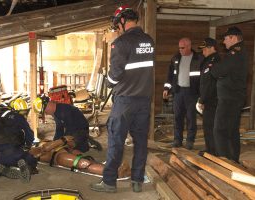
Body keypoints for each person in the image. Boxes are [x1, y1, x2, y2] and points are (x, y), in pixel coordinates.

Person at [90, 5, 155, 193]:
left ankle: (109, 182)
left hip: (125, 100)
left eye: (117, 25)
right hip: (144, 100)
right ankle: (136, 182)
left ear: (122, 21)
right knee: (141, 142)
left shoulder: (121, 43)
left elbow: (114, 76)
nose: (117, 29)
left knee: (116, 141)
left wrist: (108, 84)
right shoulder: (148, 41)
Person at [211, 26, 248, 163]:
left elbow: (217, 71)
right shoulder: (239, 52)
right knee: (232, 130)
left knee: (220, 130)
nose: (224, 42)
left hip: (230, 99)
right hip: (233, 98)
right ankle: (233, 161)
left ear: (233, 38)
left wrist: (214, 68)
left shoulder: (235, 53)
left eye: (226, 39)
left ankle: (225, 163)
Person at [0, 98, 37, 183]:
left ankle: (0, 169)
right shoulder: (18, 117)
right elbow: (30, 135)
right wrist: (28, 147)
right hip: (14, 153)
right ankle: (24, 165)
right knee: (30, 159)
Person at [163, 37, 203, 149]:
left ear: (189, 46)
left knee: (191, 118)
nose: (180, 50)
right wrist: (166, 89)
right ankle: (177, 140)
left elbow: (203, 78)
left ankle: (190, 141)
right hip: (178, 92)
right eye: (179, 48)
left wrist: (201, 94)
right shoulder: (176, 58)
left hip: (192, 93)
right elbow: (170, 75)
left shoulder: (198, 59)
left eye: (182, 48)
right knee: (177, 117)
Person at [33, 96, 102, 153]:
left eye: (45, 111)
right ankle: (84, 140)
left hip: (80, 130)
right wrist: (55, 142)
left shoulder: (64, 110)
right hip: (73, 130)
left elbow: (70, 130)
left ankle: (86, 142)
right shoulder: (56, 112)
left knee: (71, 149)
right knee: (61, 143)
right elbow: (59, 129)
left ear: (48, 104)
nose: (46, 113)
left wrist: (60, 143)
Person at [197, 37, 220, 155]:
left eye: (205, 49)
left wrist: (202, 100)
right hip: (210, 99)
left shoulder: (214, 61)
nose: (203, 51)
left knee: (211, 126)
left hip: (213, 100)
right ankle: (210, 150)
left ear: (212, 48)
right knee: (208, 127)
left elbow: (209, 83)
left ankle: (213, 152)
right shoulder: (208, 60)